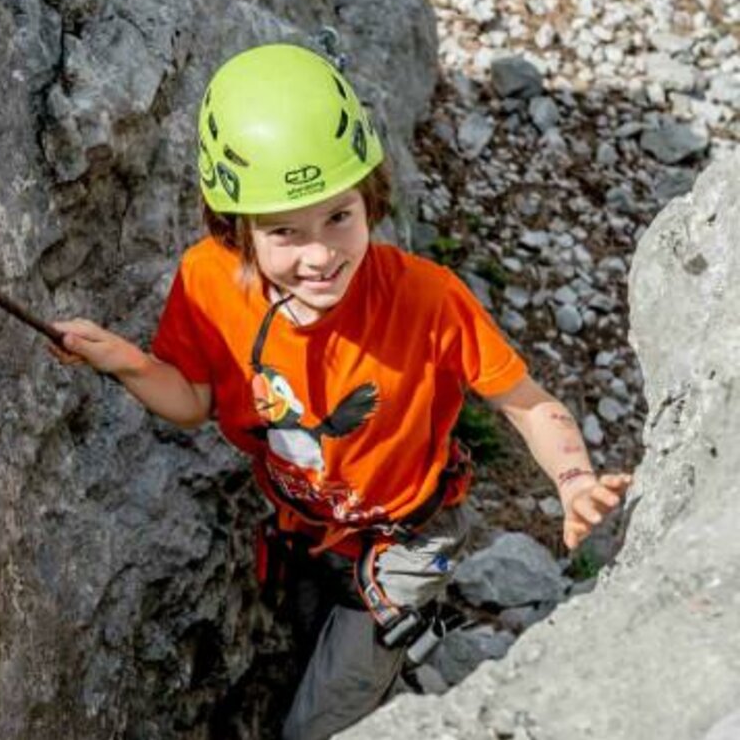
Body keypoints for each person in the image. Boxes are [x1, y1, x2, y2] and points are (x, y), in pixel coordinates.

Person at [50, 43, 632, 739]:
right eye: (284, 233)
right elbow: (194, 400)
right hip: (306, 524)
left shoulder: (426, 300)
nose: (320, 255)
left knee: (311, 726)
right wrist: (121, 360)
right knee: (306, 638)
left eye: (338, 217)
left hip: (407, 534)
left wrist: (571, 480)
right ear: (237, 232)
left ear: (370, 197)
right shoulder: (207, 282)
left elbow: (528, 403)